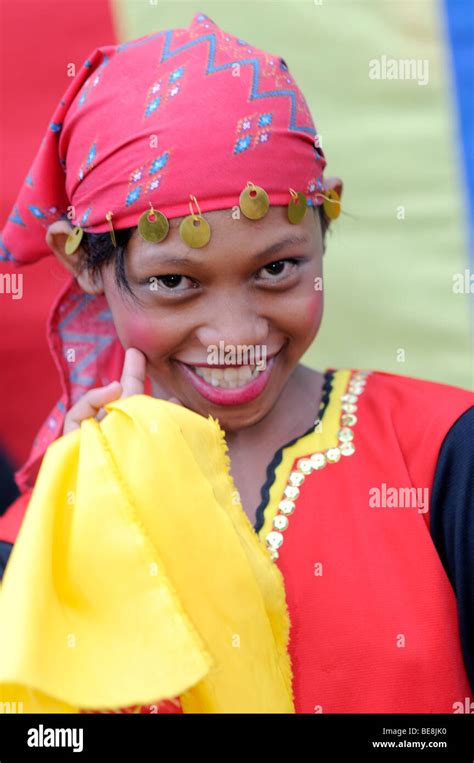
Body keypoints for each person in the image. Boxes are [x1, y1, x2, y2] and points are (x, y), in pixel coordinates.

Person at [0, 12, 472, 714]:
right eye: (174, 282)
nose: (234, 331)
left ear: (326, 220)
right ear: (83, 261)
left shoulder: (442, 458)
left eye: (277, 268)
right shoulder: (42, 538)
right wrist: (100, 506)